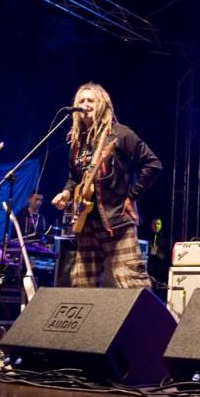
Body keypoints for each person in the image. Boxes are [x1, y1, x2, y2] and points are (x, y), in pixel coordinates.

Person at [51, 83, 161, 288]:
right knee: (82, 286)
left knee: (132, 284)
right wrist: (66, 192)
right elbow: (74, 177)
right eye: (81, 100)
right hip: (85, 222)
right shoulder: (76, 141)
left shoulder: (120, 134)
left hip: (116, 220)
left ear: (102, 104)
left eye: (90, 100)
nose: (85, 104)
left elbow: (153, 164)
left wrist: (132, 196)